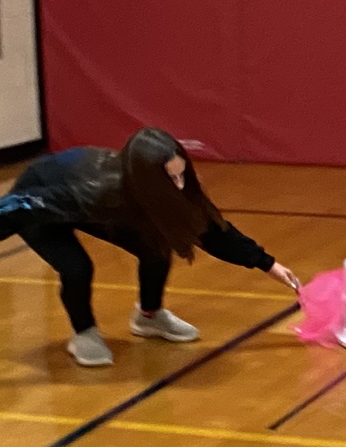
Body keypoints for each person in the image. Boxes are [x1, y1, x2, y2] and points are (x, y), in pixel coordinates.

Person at [0, 127, 301, 367]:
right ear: (146, 180)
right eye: (171, 178)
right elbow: (15, 208)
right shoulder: (99, 191)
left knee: (156, 246)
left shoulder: (168, 191)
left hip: (92, 205)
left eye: (182, 174)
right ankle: (84, 332)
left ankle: (149, 316)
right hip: (40, 201)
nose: (180, 184)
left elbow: (211, 230)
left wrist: (267, 263)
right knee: (76, 268)